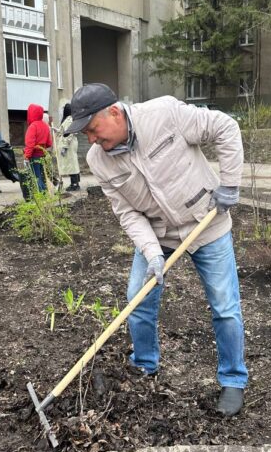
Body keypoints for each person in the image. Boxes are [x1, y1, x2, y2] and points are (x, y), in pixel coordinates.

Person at [64, 83, 248, 416]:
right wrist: (151, 253)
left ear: (115, 113)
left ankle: (233, 380)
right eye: (85, 134)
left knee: (224, 306)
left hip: (207, 221)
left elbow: (225, 126)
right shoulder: (98, 160)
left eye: (92, 129)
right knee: (138, 299)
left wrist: (230, 183)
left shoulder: (164, 114)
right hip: (158, 234)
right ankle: (144, 367)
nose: (90, 139)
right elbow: (127, 212)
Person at [23, 103, 53, 193]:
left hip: (34, 155)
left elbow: (30, 144)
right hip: (42, 155)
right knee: (41, 174)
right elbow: (49, 143)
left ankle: (40, 194)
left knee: (36, 176)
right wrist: (41, 147)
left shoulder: (33, 126)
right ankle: (44, 192)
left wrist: (26, 156)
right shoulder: (45, 126)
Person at [55, 103, 81, 191]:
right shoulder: (68, 119)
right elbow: (63, 131)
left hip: (69, 144)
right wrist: (57, 130)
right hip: (69, 144)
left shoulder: (70, 120)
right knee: (72, 163)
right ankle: (75, 183)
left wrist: (65, 146)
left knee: (71, 164)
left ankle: (75, 184)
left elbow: (70, 133)